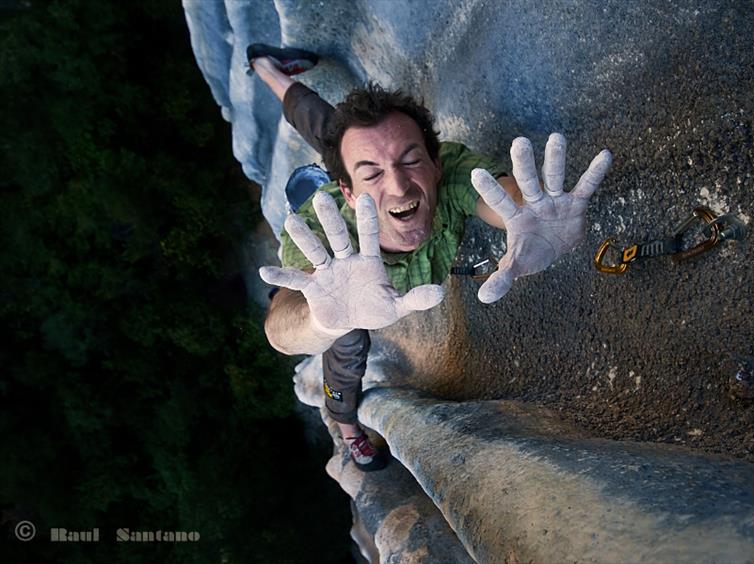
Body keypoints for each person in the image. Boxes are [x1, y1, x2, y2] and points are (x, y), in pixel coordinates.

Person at [248, 44, 612, 471]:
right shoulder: (319, 233)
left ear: (436, 164)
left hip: (365, 178)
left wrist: (525, 213)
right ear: (347, 193)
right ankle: (345, 425)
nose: (400, 187)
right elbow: (282, 327)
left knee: (346, 136)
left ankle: (268, 67)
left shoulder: (449, 168)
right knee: (346, 346)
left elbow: (499, 196)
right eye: (373, 175)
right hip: (343, 251)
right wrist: (322, 320)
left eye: (412, 161)